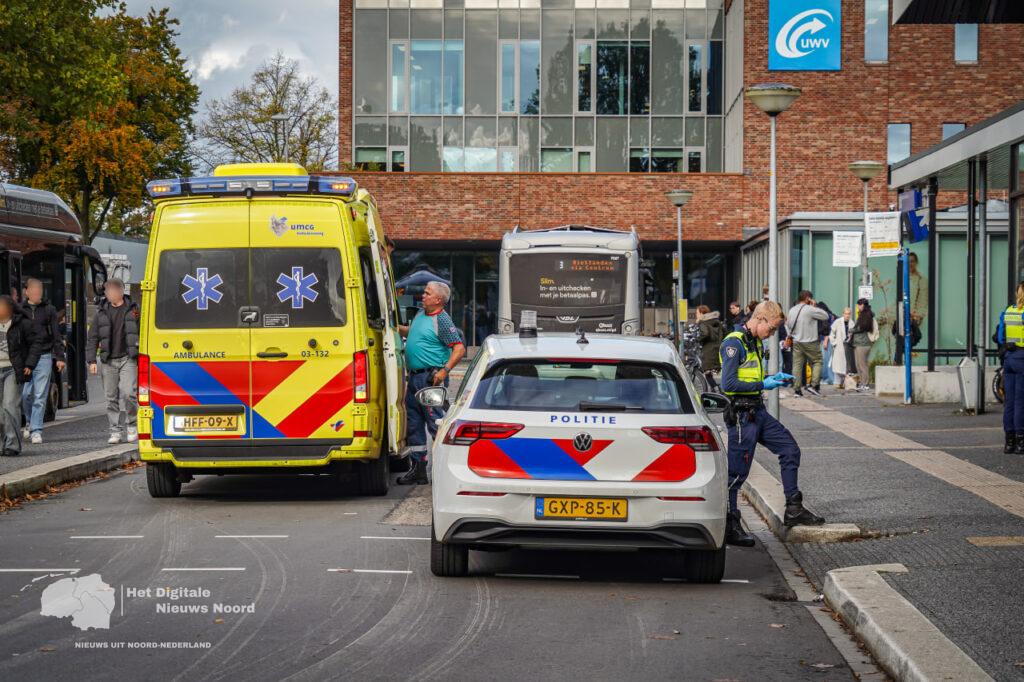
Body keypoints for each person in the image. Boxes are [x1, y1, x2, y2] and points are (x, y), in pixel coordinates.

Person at [719, 300, 825, 546]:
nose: (773, 334)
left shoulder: (754, 341)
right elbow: (729, 384)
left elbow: (750, 375)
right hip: (741, 417)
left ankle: (794, 509)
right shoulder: (734, 343)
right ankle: (729, 525)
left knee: (789, 449)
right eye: (773, 328)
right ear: (761, 319)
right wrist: (763, 384)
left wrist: (770, 378)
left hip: (757, 411)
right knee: (736, 475)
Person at [398, 280, 466, 485]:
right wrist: (392, 326)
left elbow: (459, 348)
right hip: (416, 377)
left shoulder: (443, 321)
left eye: (427, 294)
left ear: (438, 300)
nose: (423, 296)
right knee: (414, 424)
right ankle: (418, 469)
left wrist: (444, 371)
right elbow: (412, 332)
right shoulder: (421, 313)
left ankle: (446, 473)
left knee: (436, 423)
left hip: (431, 379)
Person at [86, 278, 140, 444]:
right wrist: (91, 361)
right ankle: (115, 431)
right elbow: (93, 337)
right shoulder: (101, 312)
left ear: (120, 292)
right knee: (111, 398)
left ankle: (132, 425)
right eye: (107, 292)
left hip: (128, 358)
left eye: (112, 291)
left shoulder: (134, 310)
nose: (109, 294)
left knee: (129, 393)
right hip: (108, 360)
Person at [20, 278, 66, 444]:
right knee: (25, 395)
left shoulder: (49, 310)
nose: (36, 293)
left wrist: (60, 357)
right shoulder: (19, 310)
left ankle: (36, 430)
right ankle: (28, 422)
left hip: (44, 356)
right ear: (26, 291)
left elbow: (56, 334)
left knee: (40, 395)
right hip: (25, 359)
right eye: (33, 289)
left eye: (39, 290)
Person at [0, 296, 44, 456]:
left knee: (9, 406)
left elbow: (36, 343)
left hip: (13, 369)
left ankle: (12, 445)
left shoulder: (22, 324)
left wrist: (29, 364)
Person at [996, 282, 1024, 454]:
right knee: (1021, 402)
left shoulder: (1008, 311)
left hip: (1009, 358)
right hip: (1022, 358)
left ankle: (1009, 442)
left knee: (1010, 403)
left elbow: (1000, 337)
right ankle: (1021, 441)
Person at [786, 290, 829, 397]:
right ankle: (813, 386)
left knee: (797, 365)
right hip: (811, 342)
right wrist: (814, 306)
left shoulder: (792, 310)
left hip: (797, 342)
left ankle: (797, 390)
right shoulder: (810, 309)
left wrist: (793, 335)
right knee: (817, 361)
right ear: (807, 299)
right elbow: (825, 316)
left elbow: (787, 325)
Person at [894, 252, 928, 365]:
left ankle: (904, 362)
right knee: (900, 339)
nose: (910, 264)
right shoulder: (902, 278)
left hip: (913, 317)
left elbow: (923, 302)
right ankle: (900, 362)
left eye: (912, 261)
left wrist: (916, 315)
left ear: (916, 262)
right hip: (901, 314)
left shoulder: (921, 279)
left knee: (908, 340)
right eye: (907, 262)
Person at [695, 305, 725, 389]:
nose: (696, 315)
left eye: (697, 313)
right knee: (712, 371)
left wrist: (698, 339)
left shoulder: (703, 322)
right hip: (717, 349)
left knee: (707, 372)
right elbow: (725, 332)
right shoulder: (716, 321)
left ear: (701, 313)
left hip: (708, 350)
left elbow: (705, 333)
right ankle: (716, 389)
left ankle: (716, 389)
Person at [850, 298, 876, 392]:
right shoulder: (862, 314)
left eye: (859, 305)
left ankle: (865, 383)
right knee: (858, 364)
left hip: (863, 343)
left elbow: (864, 327)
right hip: (858, 343)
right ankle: (861, 382)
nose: (857, 307)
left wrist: (852, 330)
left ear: (863, 305)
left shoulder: (867, 314)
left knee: (862, 364)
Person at [828, 308, 852, 389]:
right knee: (838, 365)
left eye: (849, 314)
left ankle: (844, 382)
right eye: (846, 313)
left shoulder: (852, 323)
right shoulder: (838, 322)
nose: (847, 315)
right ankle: (837, 382)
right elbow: (831, 334)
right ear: (843, 314)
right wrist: (834, 343)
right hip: (839, 346)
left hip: (848, 347)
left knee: (846, 365)